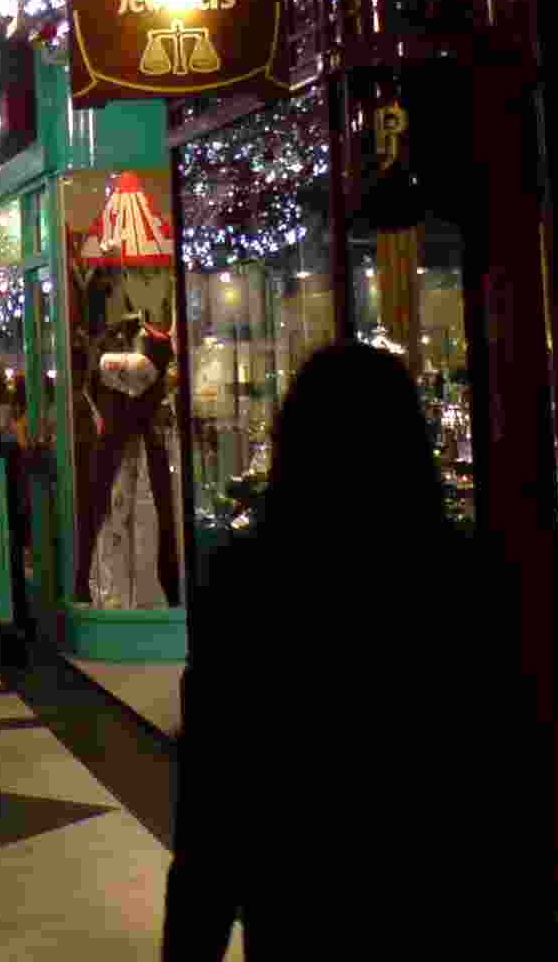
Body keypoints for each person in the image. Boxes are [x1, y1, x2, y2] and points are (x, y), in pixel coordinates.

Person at [161, 343, 532, 960]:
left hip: (302, 913)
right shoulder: (465, 578)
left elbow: (213, 812)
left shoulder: (248, 586)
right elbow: (507, 785)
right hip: (446, 913)